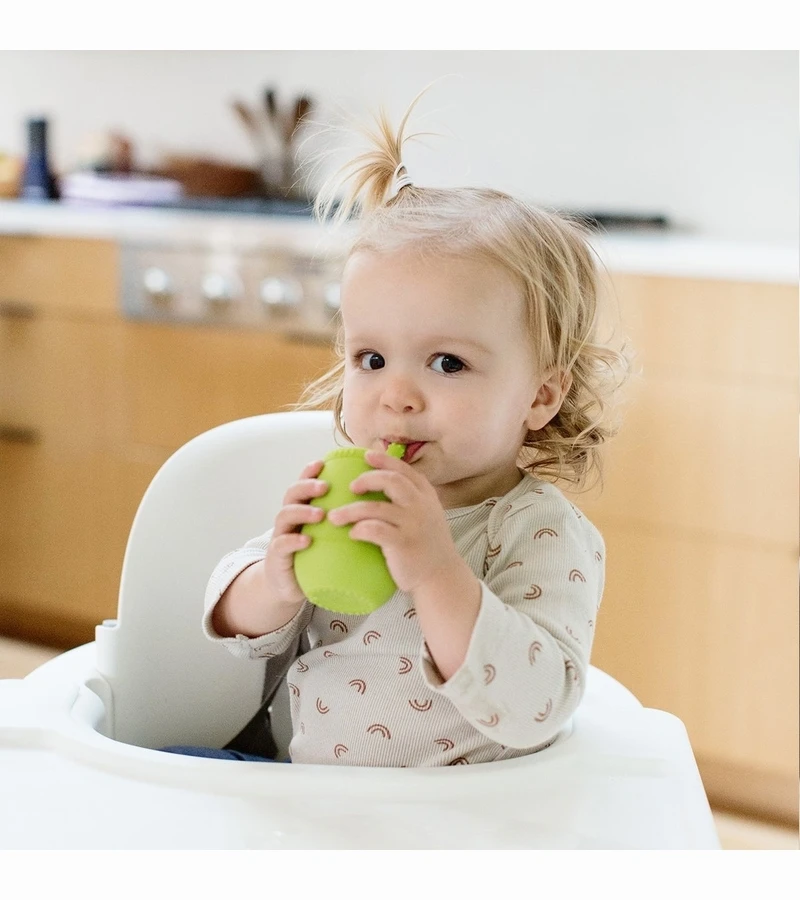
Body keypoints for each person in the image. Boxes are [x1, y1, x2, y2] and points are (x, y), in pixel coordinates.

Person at [168, 91, 629, 766]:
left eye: (447, 363)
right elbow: (234, 630)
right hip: (303, 800)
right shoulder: (349, 492)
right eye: (372, 359)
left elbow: (537, 704)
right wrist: (274, 580)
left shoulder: (534, 531)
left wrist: (437, 570)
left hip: (452, 825)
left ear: (541, 395)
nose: (397, 395)